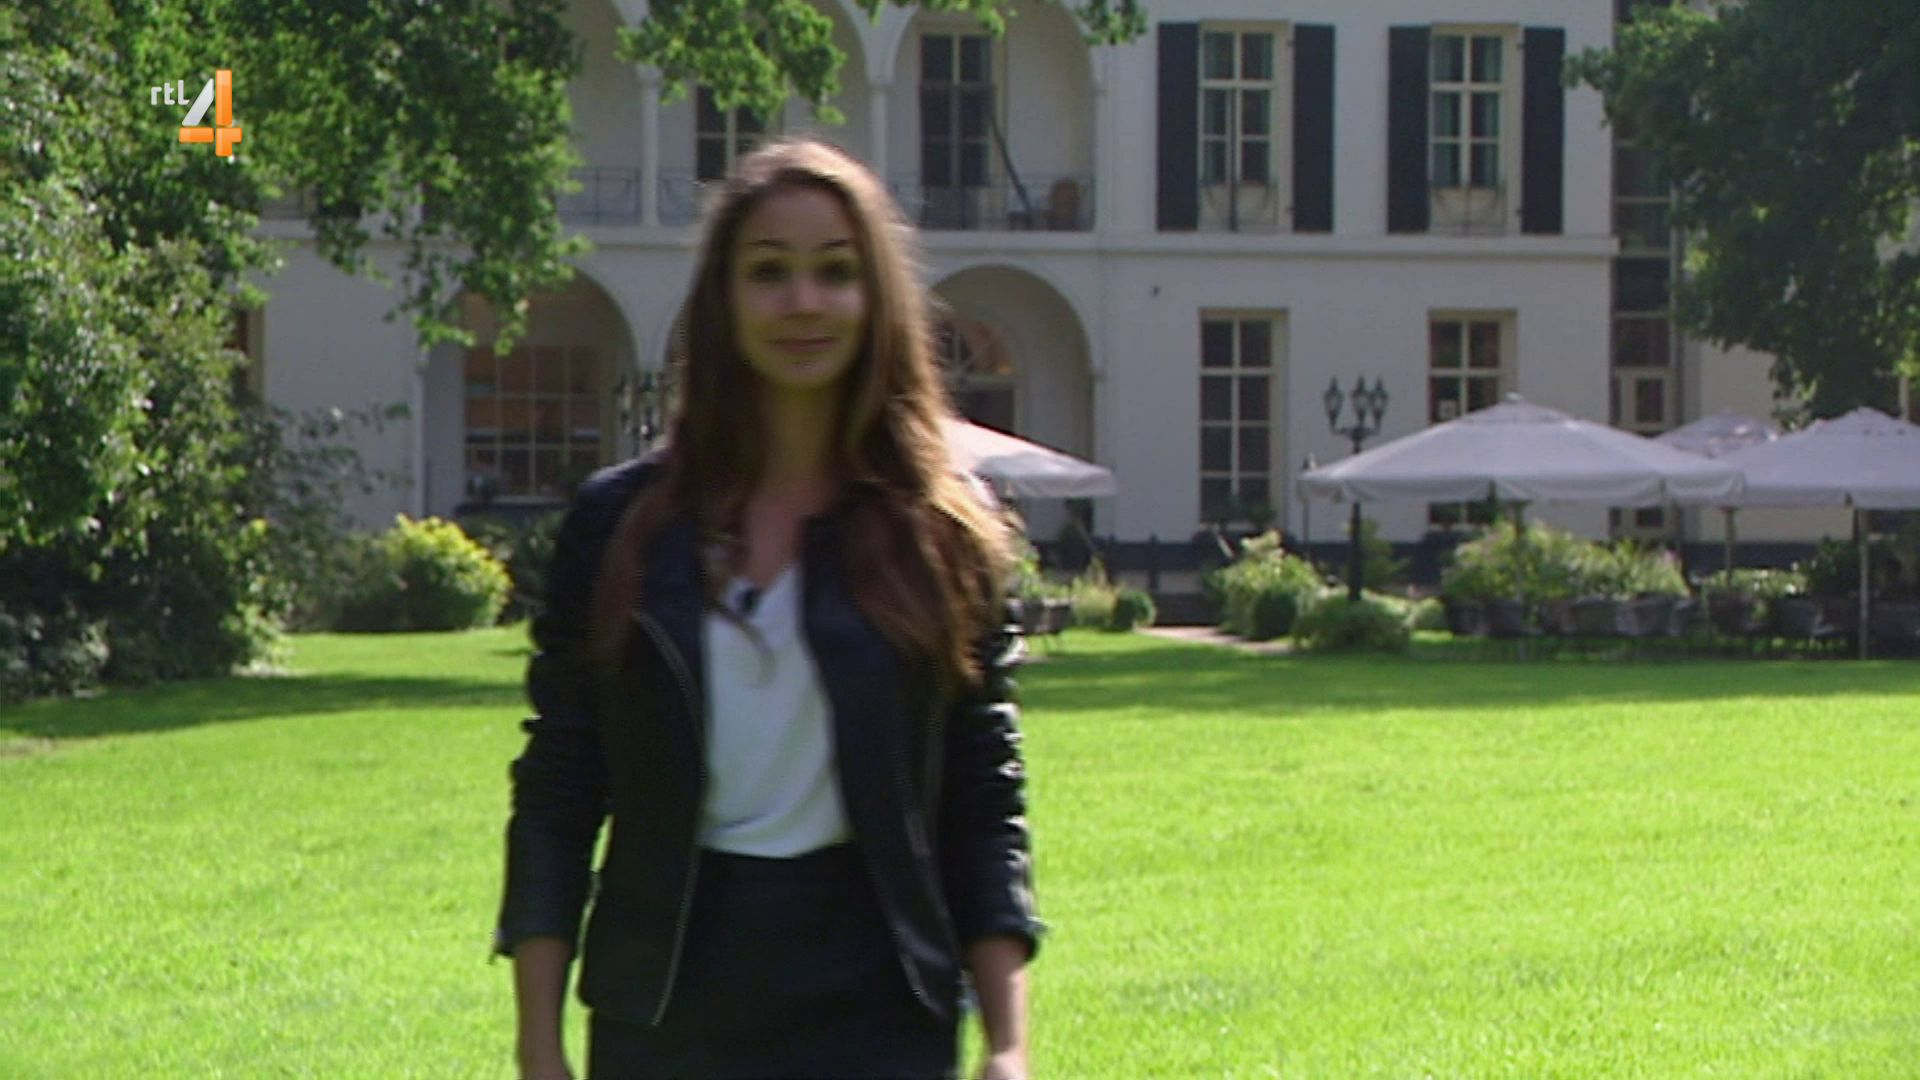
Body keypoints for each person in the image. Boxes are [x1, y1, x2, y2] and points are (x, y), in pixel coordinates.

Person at [494, 138, 1040, 1080]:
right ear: (724, 298)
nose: (803, 302)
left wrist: (1007, 1045)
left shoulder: (940, 533)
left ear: (876, 298)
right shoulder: (618, 526)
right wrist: (537, 1042)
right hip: (667, 1005)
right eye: (769, 272)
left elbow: (982, 799)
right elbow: (559, 788)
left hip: (880, 1008)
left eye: (836, 271)